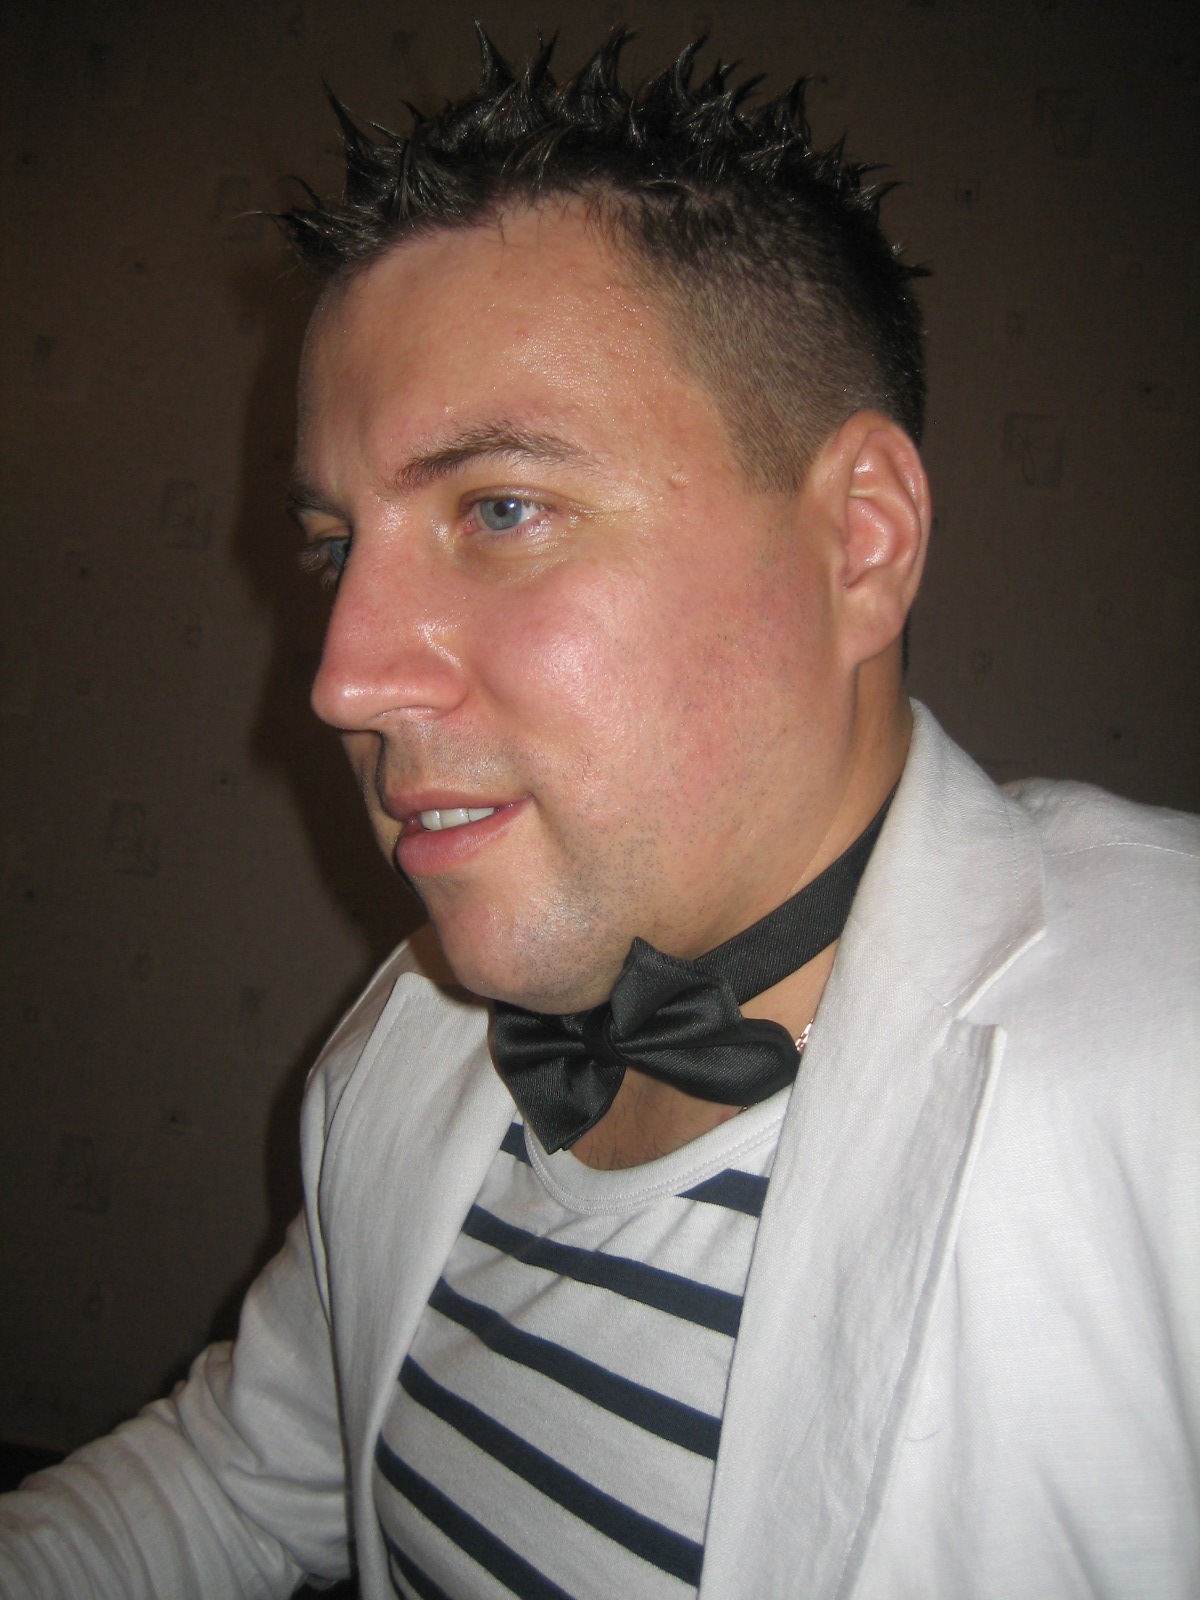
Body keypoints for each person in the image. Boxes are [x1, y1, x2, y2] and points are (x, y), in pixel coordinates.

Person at [1, 29, 1197, 1600]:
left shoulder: (1170, 1073)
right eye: (336, 549)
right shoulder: (408, 1046)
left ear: (860, 544)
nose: (342, 678)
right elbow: (235, 1476)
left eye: (500, 508)